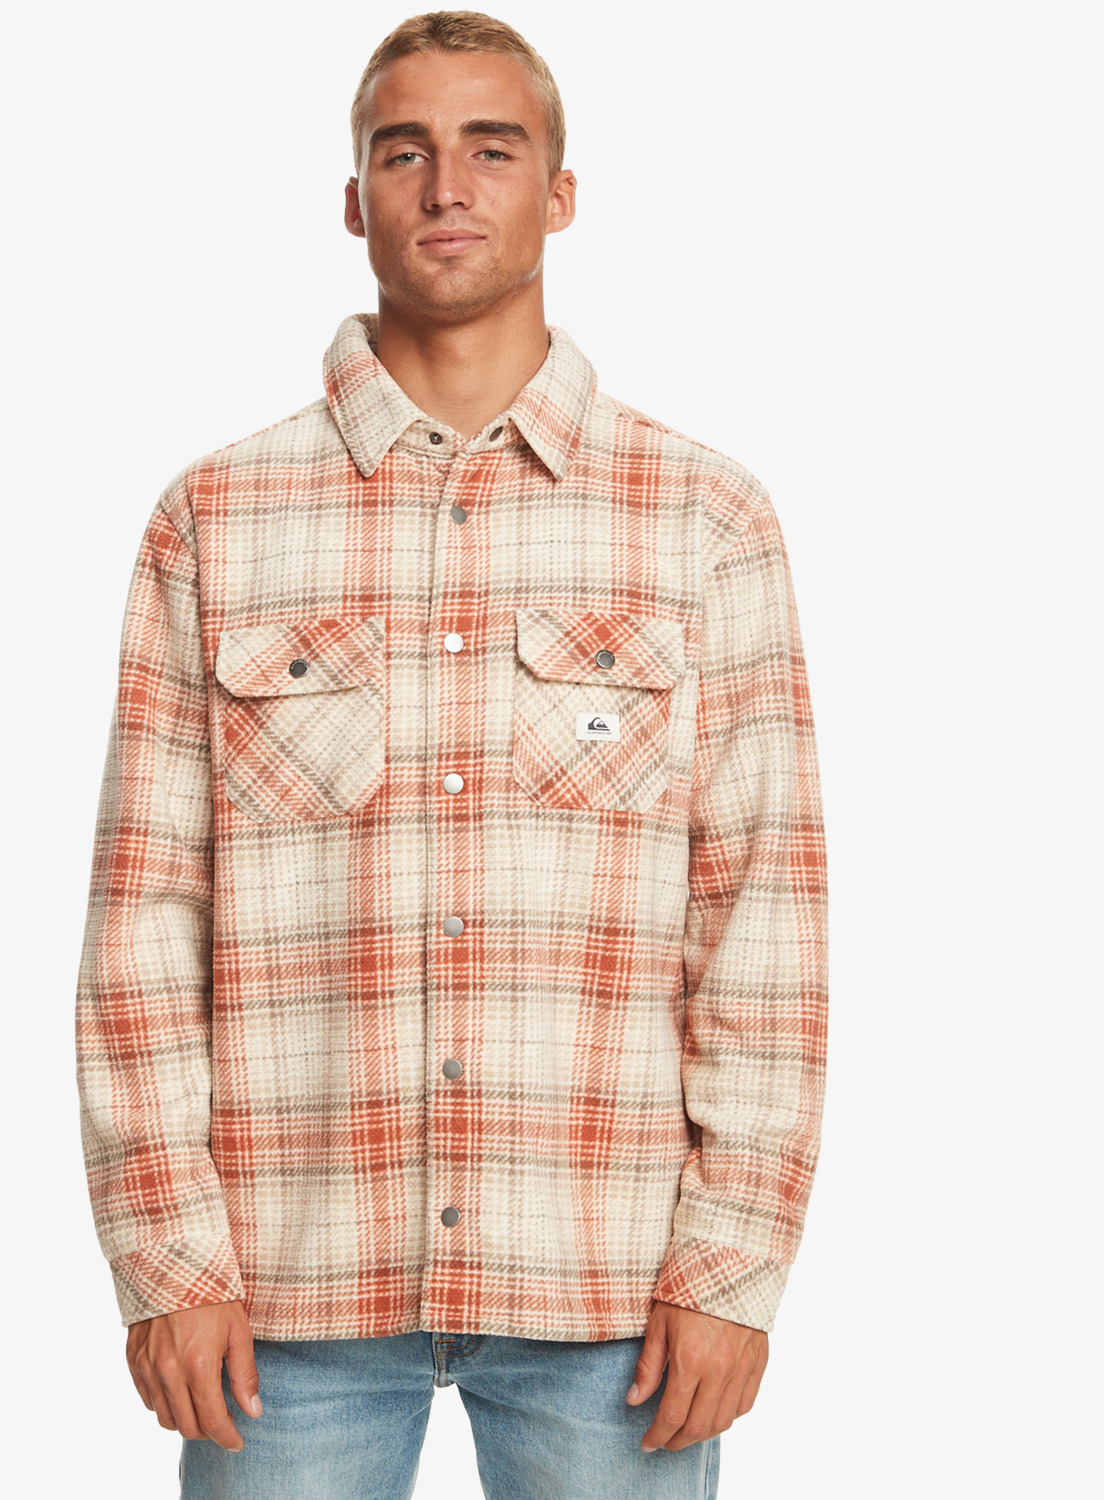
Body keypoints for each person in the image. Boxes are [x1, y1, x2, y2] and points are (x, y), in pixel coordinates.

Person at [74, 10, 828, 1498]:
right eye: (403, 151)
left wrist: (733, 1263)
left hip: (611, 1291)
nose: (447, 186)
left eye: (493, 147)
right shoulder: (216, 518)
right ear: (353, 199)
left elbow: (762, 915)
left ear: (560, 191)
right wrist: (164, 1257)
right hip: (279, 1298)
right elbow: (144, 916)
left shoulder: (701, 517)